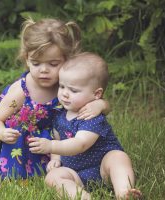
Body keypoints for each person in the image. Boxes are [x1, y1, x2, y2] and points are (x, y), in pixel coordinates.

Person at [0, 18, 110, 180]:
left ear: (67, 60)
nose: (43, 70)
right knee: (17, 170)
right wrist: (2, 132)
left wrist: (100, 104)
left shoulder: (67, 86)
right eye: (36, 63)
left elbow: (96, 101)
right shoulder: (21, 91)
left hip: (53, 139)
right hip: (20, 136)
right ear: (27, 59)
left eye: (53, 64)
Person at [29, 52, 142, 199]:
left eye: (73, 90)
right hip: (75, 173)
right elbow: (58, 137)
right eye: (62, 86)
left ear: (96, 94)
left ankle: (124, 192)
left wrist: (51, 146)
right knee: (52, 177)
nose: (65, 94)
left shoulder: (92, 116)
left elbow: (80, 144)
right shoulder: (59, 114)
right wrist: (55, 158)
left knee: (118, 157)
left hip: (103, 167)